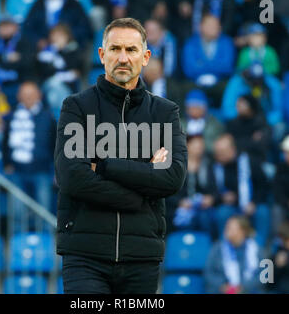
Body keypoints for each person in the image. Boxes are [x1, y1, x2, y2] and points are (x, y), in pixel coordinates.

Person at [55, 18, 187, 294]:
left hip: (142, 257)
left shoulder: (165, 113)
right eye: (115, 49)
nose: (123, 58)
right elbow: (72, 178)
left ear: (145, 57)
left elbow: (172, 178)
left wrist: (103, 165)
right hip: (84, 255)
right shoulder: (77, 108)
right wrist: (140, 191)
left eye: (131, 50)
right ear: (102, 55)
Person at [2, 81, 57, 229]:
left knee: (43, 211)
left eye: (31, 94)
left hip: (42, 171)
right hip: (17, 172)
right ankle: (18, 248)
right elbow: (5, 142)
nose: (28, 98)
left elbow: (55, 145)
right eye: (25, 95)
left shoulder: (48, 117)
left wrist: (55, 169)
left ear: (39, 95)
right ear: (19, 96)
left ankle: (44, 248)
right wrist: (7, 164)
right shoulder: (11, 116)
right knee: (17, 213)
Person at [212, 134, 270, 246]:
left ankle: (259, 248)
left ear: (232, 149)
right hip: (230, 207)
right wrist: (222, 197)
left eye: (222, 152)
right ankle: (224, 248)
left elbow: (264, 186)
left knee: (262, 212)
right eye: (217, 153)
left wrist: (254, 202)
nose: (219, 156)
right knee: (222, 212)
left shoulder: (250, 162)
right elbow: (212, 191)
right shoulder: (215, 167)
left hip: (252, 204)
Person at [169, 134, 219, 237]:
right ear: (187, 145)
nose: (199, 149)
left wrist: (210, 199)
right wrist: (180, 202)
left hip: (202, 208)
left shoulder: (208, 165)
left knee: (205, 218)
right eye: (196, 145)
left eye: (201, 146)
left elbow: (215, 191)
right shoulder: (176, 165)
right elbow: (168, 191)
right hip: (179, 207)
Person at [221, 61, 284, 142]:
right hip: (242, 119)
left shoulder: (271, 83)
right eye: (253, 79)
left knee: (278, 127)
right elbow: (228, 109)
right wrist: (244, 117)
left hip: (264, 120)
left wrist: (265, 123)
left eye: (259, 79)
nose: (256, 82)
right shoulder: (237, 82)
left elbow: (278, 110)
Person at [182, 14, 235, 108]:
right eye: (210, 25)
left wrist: (202, 64)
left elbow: (227, 67)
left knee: (230, 87)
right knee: (185, 88)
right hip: (195, 82)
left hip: (220, 81)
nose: (214, 28)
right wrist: (215, 64)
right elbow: (189, 69)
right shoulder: (190, 43)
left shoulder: (227, 42)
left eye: (216, 25)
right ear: (201, 27)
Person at [0, 15, 36, 102]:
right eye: (2, 26)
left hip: (17, 80)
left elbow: (27, 62)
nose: (4, 28)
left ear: (15, 27)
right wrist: (6, 57)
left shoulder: (23, 40)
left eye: (7, 25)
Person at [204, 216, 263, 294]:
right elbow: (208, 273)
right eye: (226, 227)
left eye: (230, 228)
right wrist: (222, 286)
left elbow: (265, 275)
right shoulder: (217, 249)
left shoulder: (256, 249)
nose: (226, 230)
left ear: (242, 231)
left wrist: (244, 287)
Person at [37, 24, 83, 120]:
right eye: (55, 35)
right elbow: (44, 71)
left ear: (67, 37)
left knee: (53, 97)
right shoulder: (46, 52)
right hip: (48, 85)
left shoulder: (73, 50)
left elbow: (76, 71)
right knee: (55, 86)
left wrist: (61, 53)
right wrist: (55, 52)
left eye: (61, 35)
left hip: (69, 88)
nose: (57, 38)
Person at [22, 0, 93, 49]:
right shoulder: (38, 4)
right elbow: (28, 28)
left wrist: (67, 39)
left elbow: (85, 29)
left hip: (69, 51)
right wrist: (38, 40)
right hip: (43, 50)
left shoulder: (73, 5)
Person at [226, 94, 271, 162]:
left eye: (242, 105)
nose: (238, 107)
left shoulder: (261, 122)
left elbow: (261, 145)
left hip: (258, 160)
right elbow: (231, 145)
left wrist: (240, 142)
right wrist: (251, 140)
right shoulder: (232, 124)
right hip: (236, 160)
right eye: (238, 105)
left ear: (251, 106)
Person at [184, 89, 225, 154]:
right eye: (191, 107)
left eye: (196, 106)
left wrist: (199, 145)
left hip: (209, 158)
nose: (193, 109)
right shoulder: (180, 124)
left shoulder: (214, 124)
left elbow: (218, 144)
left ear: (204, 107)